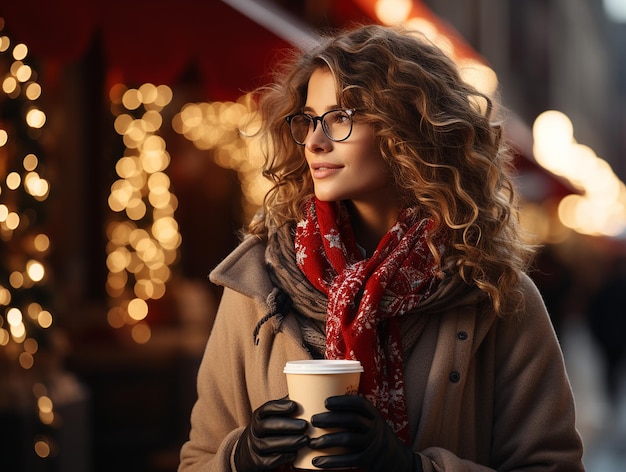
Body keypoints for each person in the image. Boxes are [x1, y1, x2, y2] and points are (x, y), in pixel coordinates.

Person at [178, 24, 584, 471]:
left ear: (407, 128)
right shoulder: (260, 282)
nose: (315, 141)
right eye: (308, 119)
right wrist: (241, 457)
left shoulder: (494, 296)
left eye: (340, 117)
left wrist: (409, 468)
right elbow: (198, 459)